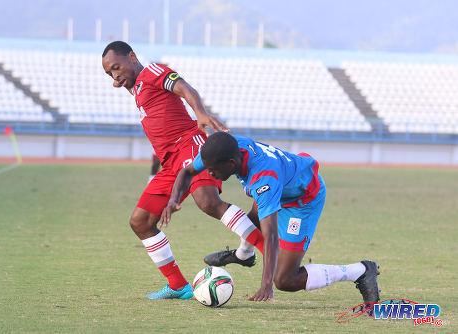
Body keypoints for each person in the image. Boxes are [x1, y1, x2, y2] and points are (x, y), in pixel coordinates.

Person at [102, 41, 265, 300]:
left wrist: (200, 113)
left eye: (116, 67)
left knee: (208, 201)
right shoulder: (138, 89)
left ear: (132, 57)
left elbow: (184, 88)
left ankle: (269, 251)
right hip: (170, 164)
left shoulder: (152, 71)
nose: (114, 75)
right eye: (109, 73)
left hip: (189, 144)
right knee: (141, 222)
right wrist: (125, 82)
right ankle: (178, 286)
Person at [161, 132, 380, 303]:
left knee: (284, 279)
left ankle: (360, 271)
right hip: (281, 186)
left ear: (231, 164)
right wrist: (173, 199)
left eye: (212, 170)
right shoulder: (226, 145)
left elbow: (271, 236)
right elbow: (187, 172)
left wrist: (267, 284)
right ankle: (243, 254)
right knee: (253, 218)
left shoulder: (263, 179)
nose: (209, 174)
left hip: (303, 201)